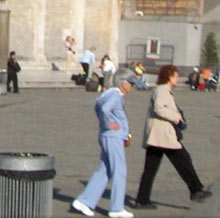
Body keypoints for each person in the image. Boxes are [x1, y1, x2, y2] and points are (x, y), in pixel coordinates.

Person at [134, 65, 212, 207]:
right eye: (175, 76)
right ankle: (195, 189)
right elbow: (159, 108)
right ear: (169, 76)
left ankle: (142, 200)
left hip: (156, 136)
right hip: (163, 136)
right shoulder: (163, 90)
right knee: (184, 160)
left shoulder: (162, 89)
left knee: (150, 170)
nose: (177, 78)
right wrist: (176, 117)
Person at [70, 75, 136, 218]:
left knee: (105, 170)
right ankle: (116, 208)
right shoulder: (116, 96)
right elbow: (106, 110)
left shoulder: (107, 94)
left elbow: (99, 107)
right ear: (123, 84)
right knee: (120, 170)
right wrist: (111, 125)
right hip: (113, 136)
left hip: (106, 135)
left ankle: (84, 201)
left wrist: (106, 125)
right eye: (130, 83)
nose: (132, 86)